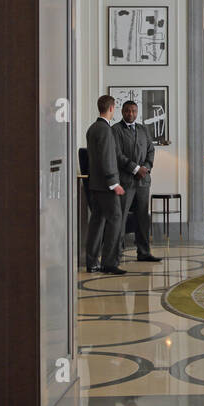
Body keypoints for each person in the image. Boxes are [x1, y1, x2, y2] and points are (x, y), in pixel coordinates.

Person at [113, 100, 162, 263]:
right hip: (126, 181)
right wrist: (135, 169)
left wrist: (146, 168)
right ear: (122, 112)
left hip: (143, 182)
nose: (131, 114)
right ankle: (116, 254)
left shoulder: (142, 129)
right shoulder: (116, 130)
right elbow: (118, 155)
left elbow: (151, 150)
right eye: (127, 111)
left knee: (142, 218)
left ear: (137, 112)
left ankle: (144, 252)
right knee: (120, 218)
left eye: (134, 111)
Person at [85, 95, 126, 274]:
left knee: (97, 223)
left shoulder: (92, 128)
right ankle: (109, 263)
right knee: (115, 220)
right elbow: (107, 158)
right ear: (111, 108)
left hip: (94, 184)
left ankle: (92, 262)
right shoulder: (105, 130)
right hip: (106, 186)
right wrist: (113, 183)